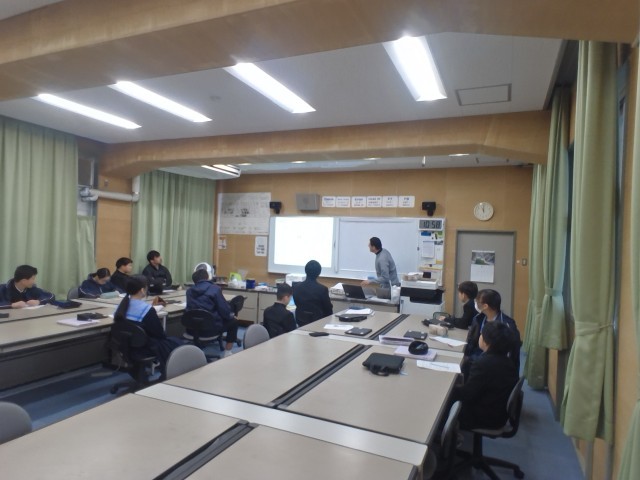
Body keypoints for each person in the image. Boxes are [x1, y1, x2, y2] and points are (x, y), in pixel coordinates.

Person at [451, 321, 519, 430]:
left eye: (482, 334)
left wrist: (449, 389)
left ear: (487, 342)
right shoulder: (507, 361)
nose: (480, 336)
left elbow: (467, 395)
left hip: (484, 417)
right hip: (497, 413)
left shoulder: (482, 364)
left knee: (442, 403)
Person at [112, 276, 181, 374]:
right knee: (176, 343)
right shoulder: (146, 310)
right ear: (142, 290)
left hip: (125, 346)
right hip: (145, 347)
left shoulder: (120, 307)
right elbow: (159, 333)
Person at [463, 289, 521, 379]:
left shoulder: (506, 326)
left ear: (485, 306)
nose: (475, 304)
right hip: (477, 357)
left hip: (495, 368)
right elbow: (471, 341)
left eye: (477, 302)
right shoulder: (478, 319)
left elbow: (510, 356)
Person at [186, 265, 239, 357]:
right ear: (208, 277)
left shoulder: (189, 291)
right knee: (234, 321)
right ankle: (228, 352)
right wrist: (231, 315)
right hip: (211, 330)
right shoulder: (215, 289)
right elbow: (224, 310)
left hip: (191, 330)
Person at [292, 260, 333, 326]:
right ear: (319, 273)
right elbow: (328, 310)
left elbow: (297, 303)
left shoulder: (296, 287)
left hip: (301, 322)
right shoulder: (322, 289)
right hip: (319, 324)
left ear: (305, 271)